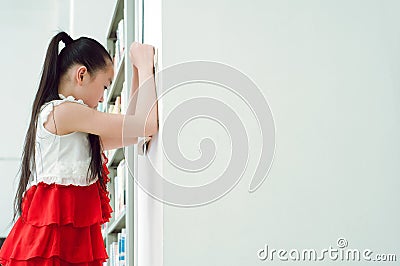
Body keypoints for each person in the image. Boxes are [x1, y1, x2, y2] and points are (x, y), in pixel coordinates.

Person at [0, 31, 159, 265]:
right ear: (82, 75)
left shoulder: (74, 127)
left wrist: (137, 71)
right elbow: (145, 125)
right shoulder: (64, 112)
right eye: (105, 87)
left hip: (60, 246)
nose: (103, 99)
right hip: (51, 247)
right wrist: (145, 66)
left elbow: (137, 129)